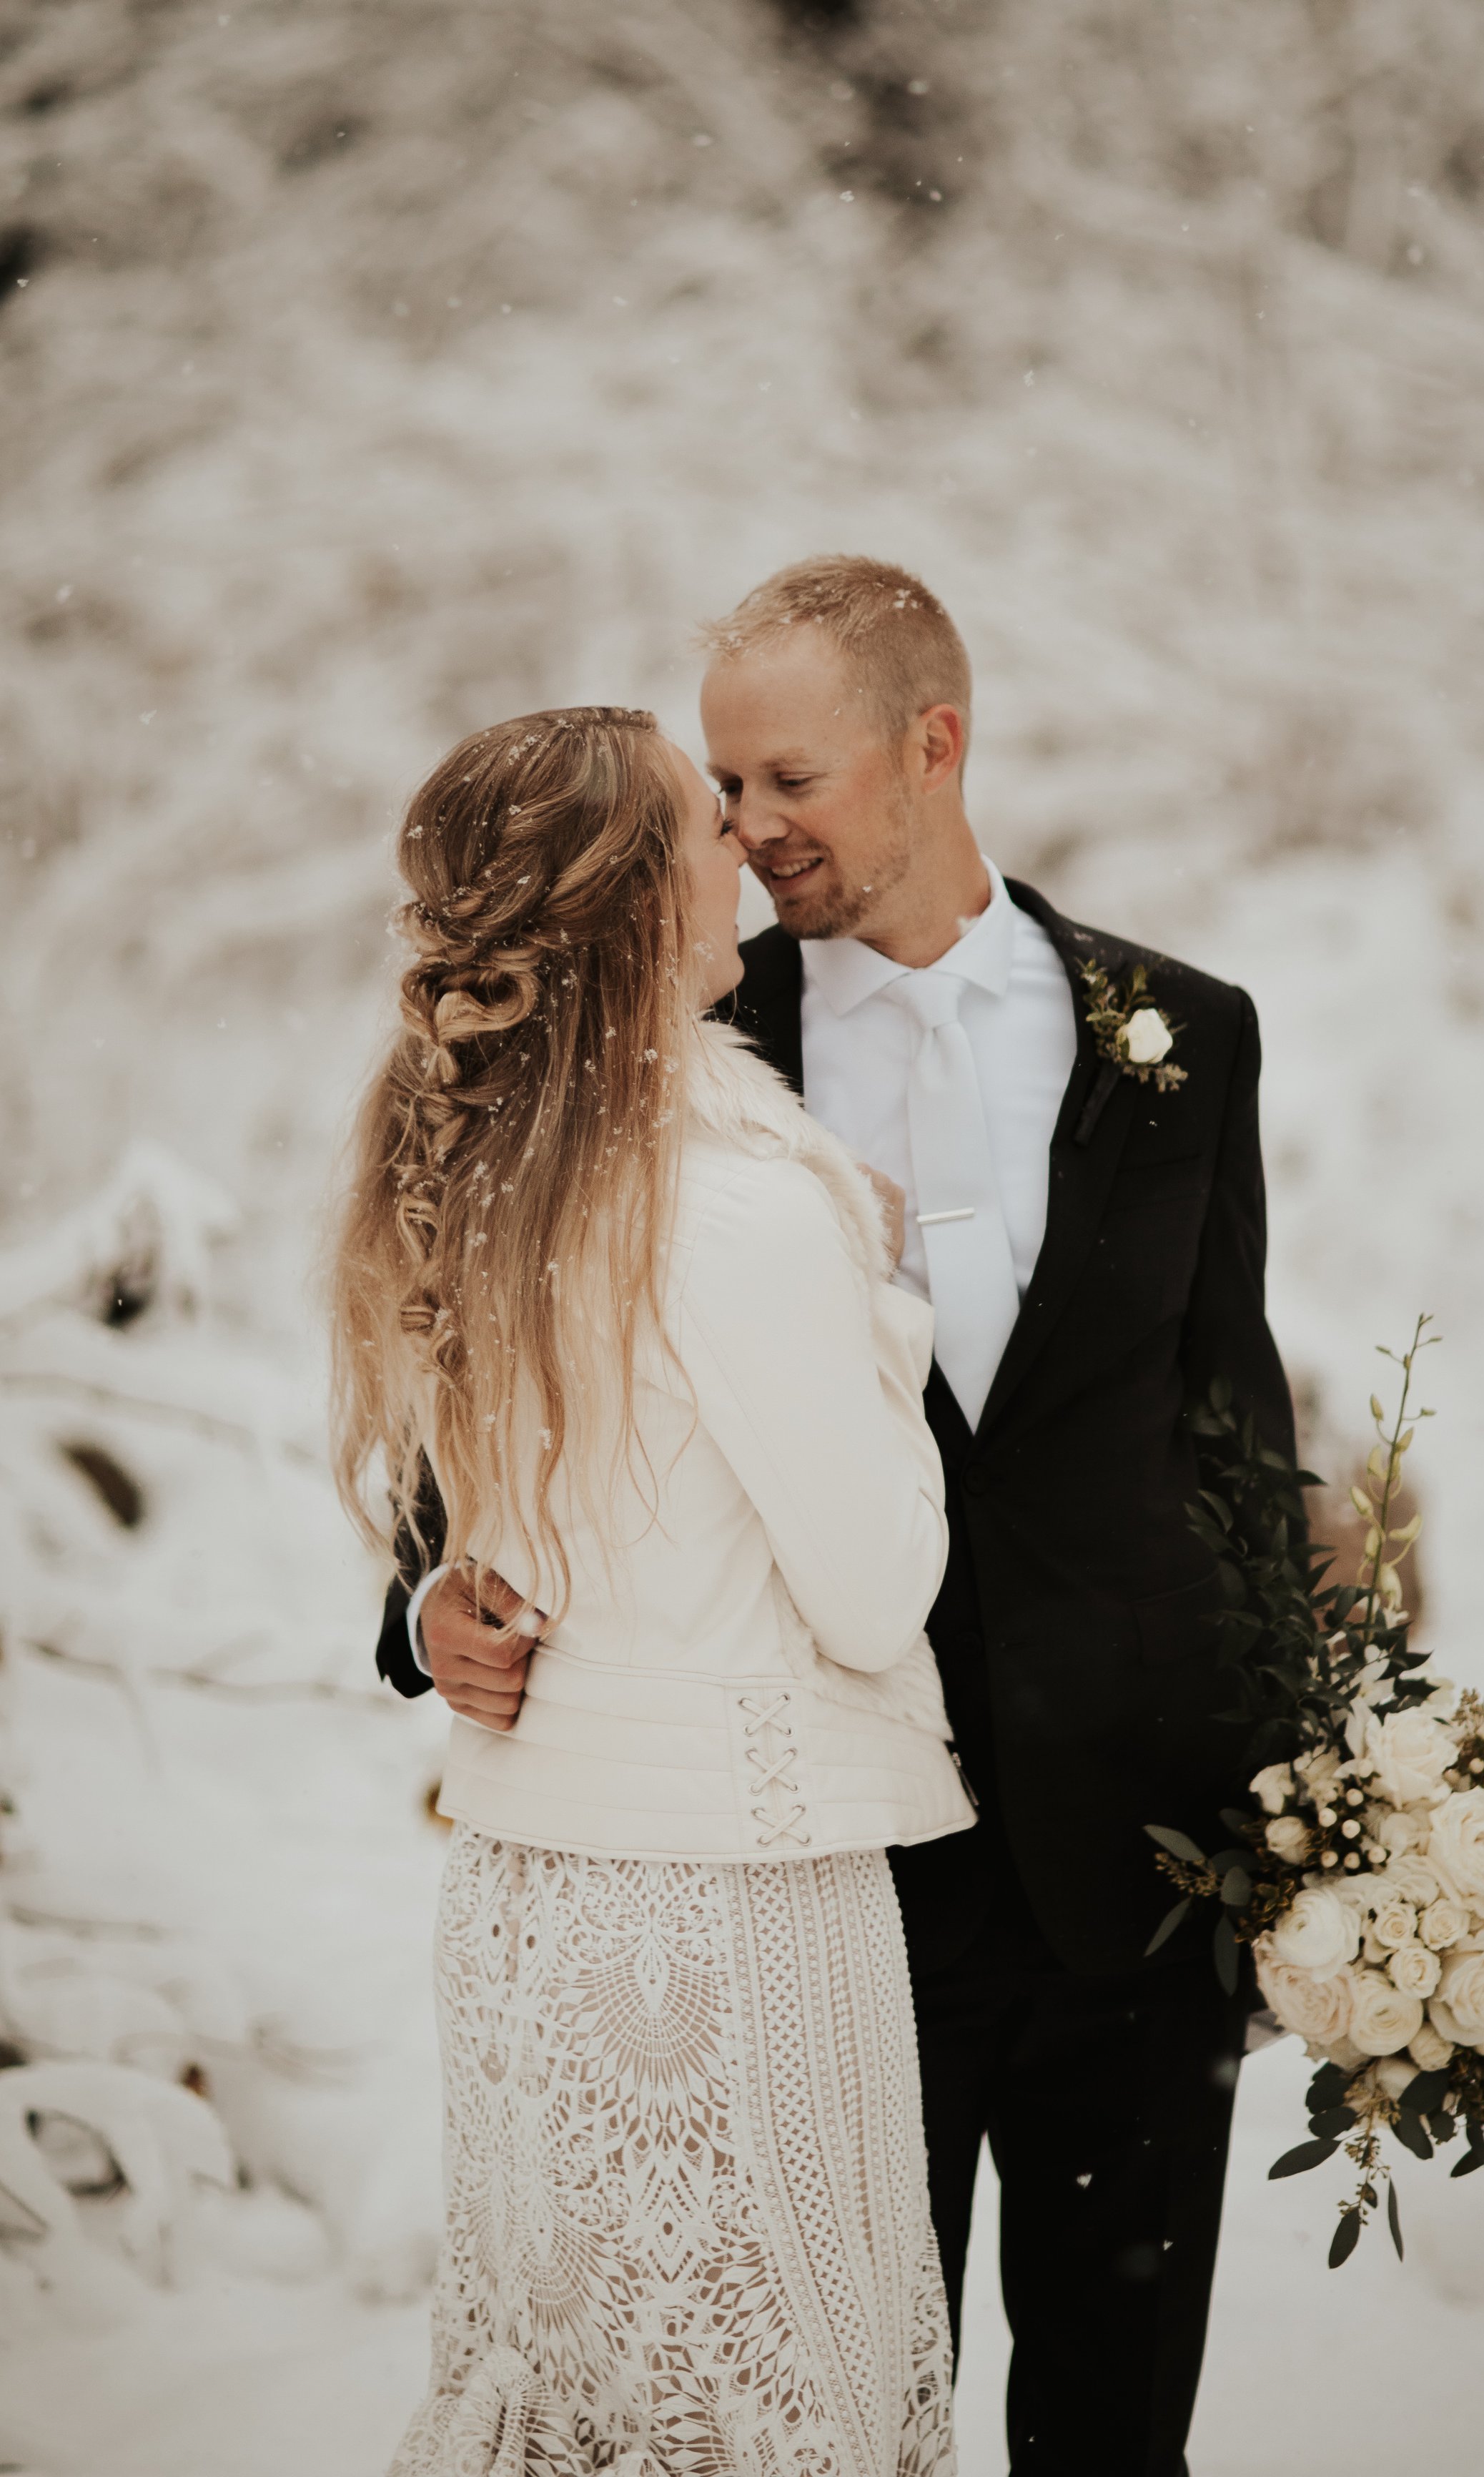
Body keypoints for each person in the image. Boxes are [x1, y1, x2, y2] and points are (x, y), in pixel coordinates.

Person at [385, 560, 1297, 2476]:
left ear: (931, 743)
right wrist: (422, 1600)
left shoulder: (1183, 1033)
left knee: (1115, 2438)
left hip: (1132, 1878)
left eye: (784, 779)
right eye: (719, 787)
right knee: (823, 2417)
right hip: (820, 1888)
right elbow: (489, 1380)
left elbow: (1223, 1426)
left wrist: (1302, 1802)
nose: (742, 826)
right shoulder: (659, 1032)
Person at [334, 703, 971, 2476]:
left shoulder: (492, 1173)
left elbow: (511, 1525)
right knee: (759, 2415)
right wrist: (890, 1310)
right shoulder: (744, 1209)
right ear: (633, 907)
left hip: (533, 1891)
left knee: (583, 2406)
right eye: (707, 826)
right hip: (720, 1910)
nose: (746, 847)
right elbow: (872, 1591)